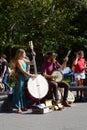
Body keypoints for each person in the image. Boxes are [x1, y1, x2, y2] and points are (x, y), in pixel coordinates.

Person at [12, 49, 37, 113]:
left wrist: (34, 56)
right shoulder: (18, 61)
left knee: (23, 92)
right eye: (24, 53)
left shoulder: (24, 59)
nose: (25, 54)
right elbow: (23, 71)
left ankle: (23, 106)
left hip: (24, 77)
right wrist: (31, 75)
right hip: (20, 77)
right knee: (19, 92)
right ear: (20, 54)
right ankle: (18, 107)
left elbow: (32, 63)